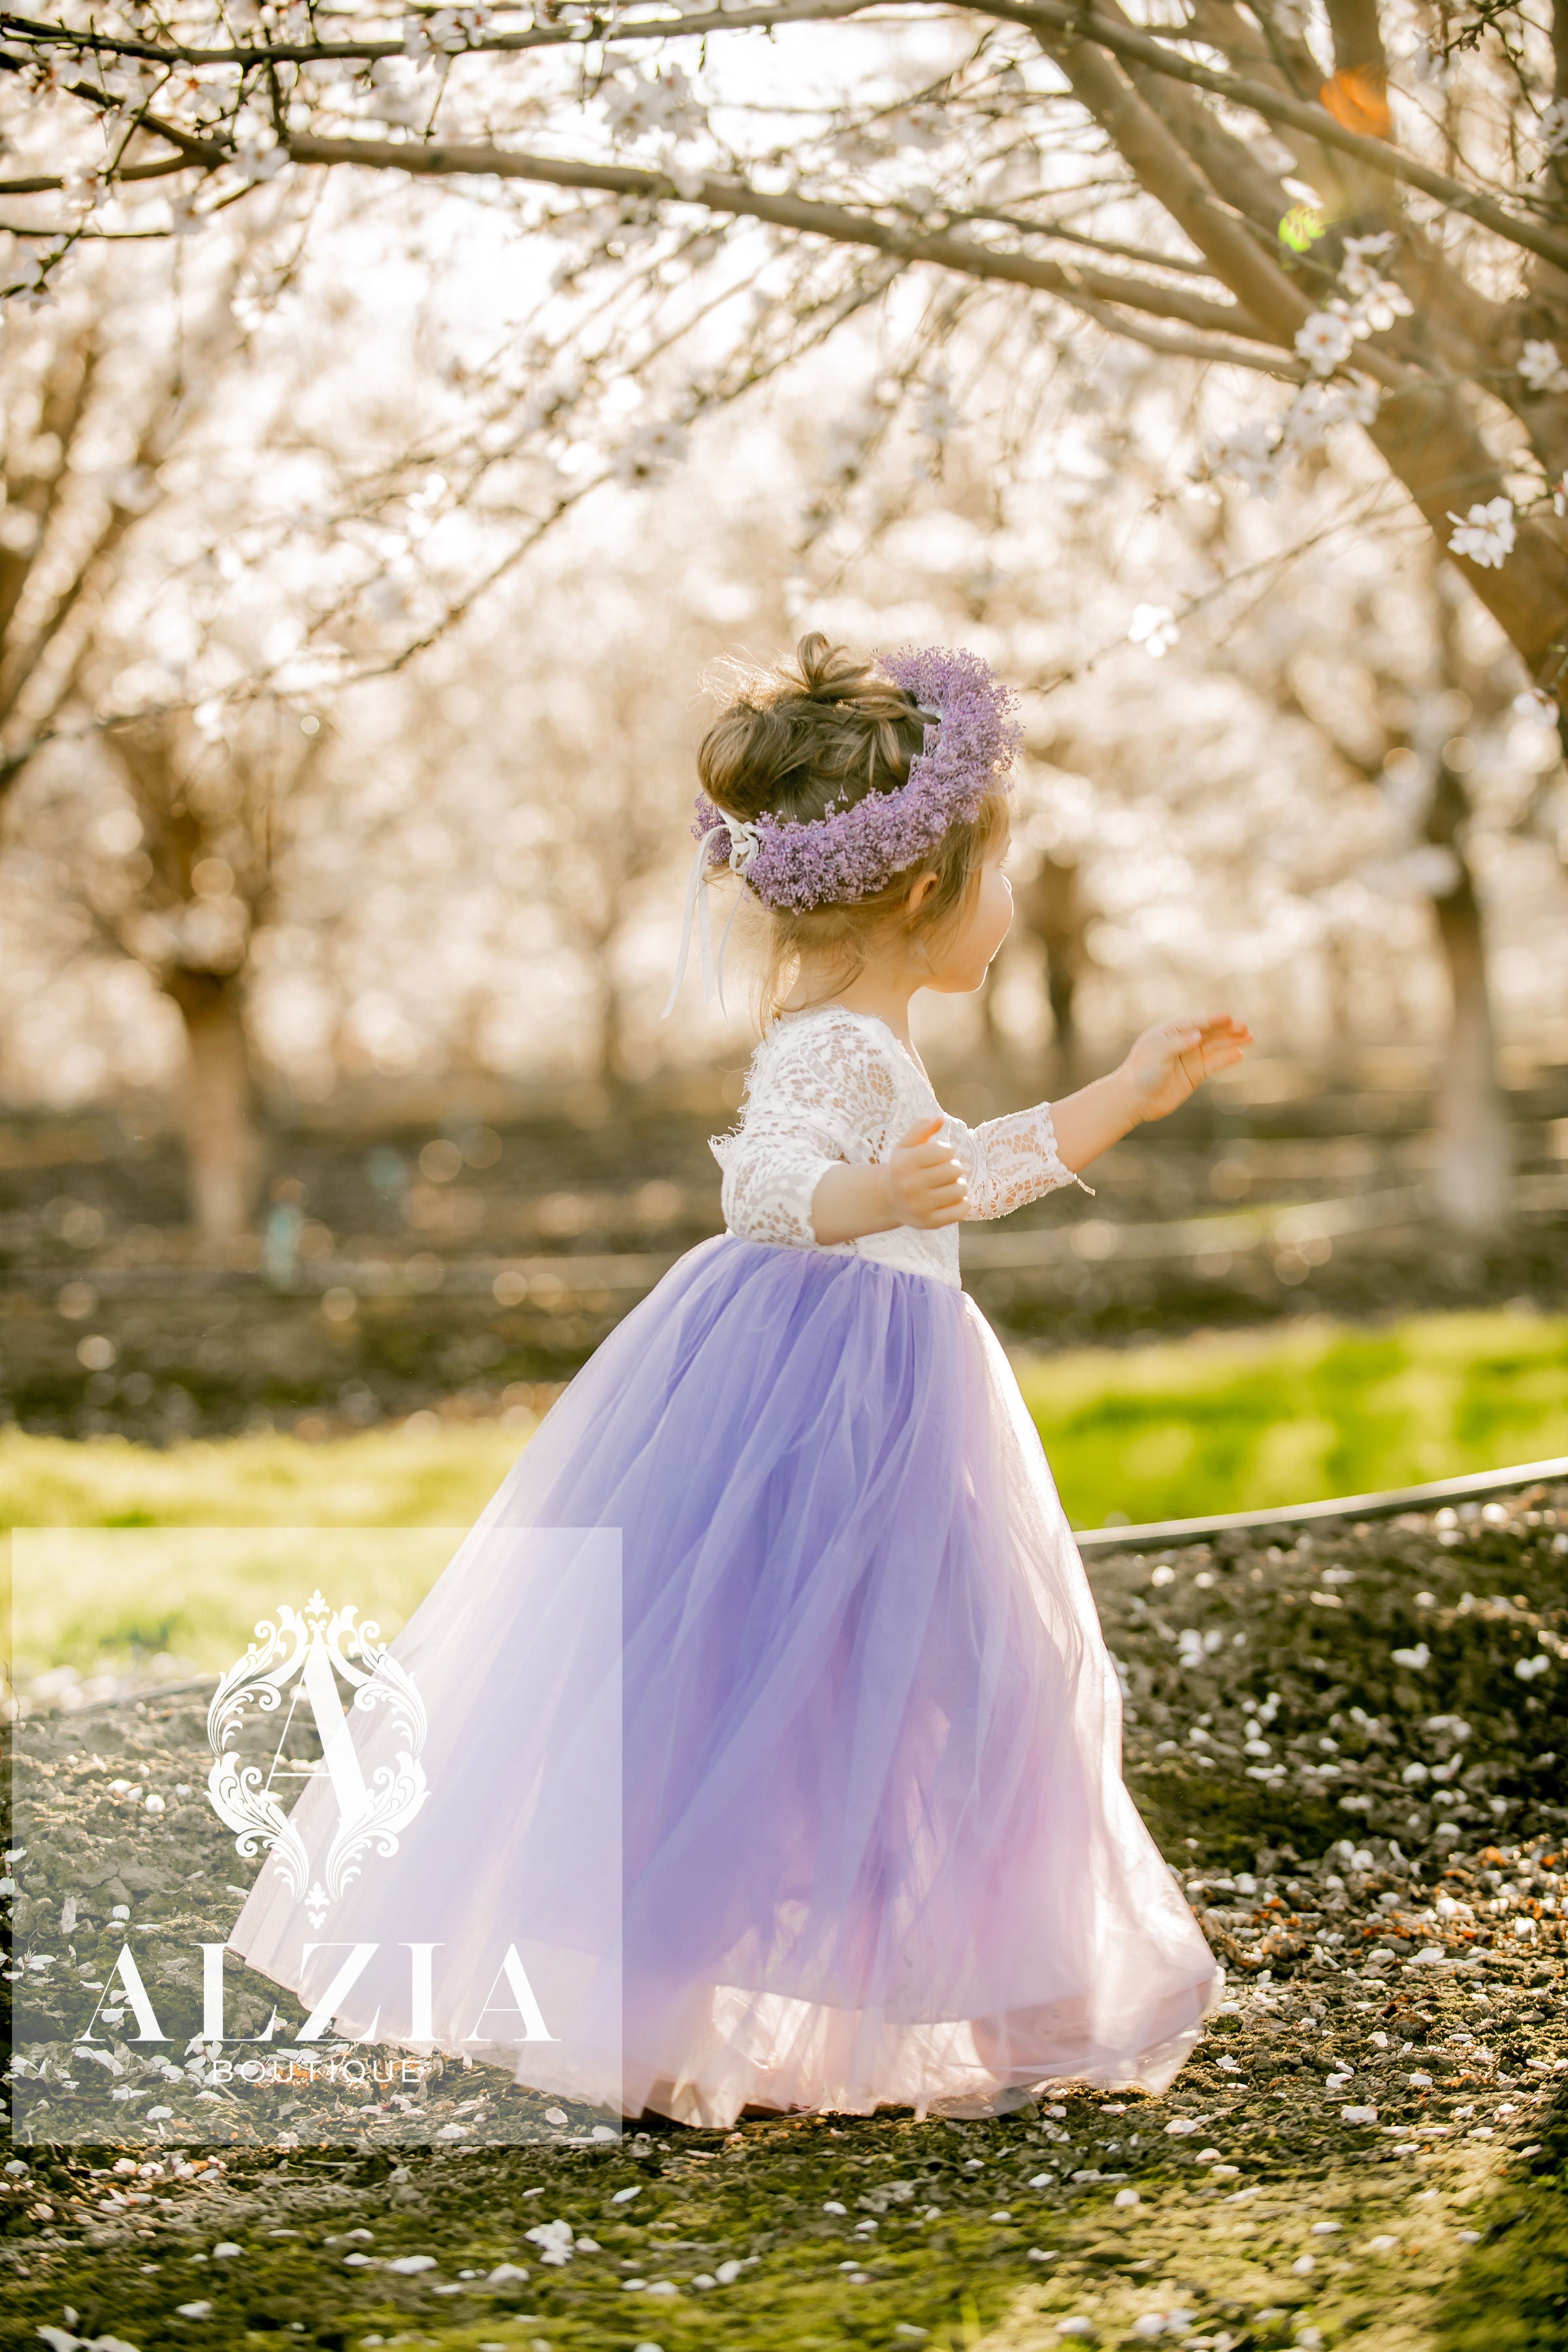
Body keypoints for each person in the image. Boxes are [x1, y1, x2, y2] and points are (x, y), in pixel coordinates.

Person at [229, 635, 1251, 2131]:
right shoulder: (828, 1044)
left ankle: (999, 1982)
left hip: (889, 1385)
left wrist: (1125, 1097)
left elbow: (968, 1177)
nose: (1017, 900)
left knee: (950, 1680)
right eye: (1005, 866)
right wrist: (864, 1197)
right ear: (924, 893)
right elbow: (767, 1183)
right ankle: (721, 2002)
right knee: (801, 1688)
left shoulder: (879, 1043)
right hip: (818, 1396)